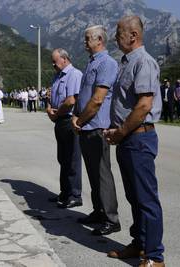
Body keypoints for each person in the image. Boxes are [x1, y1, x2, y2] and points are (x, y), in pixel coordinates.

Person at [104, 16, 165, 267]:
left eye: (119, 32)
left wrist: (119, 132)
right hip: (128, 139)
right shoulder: (126, 63)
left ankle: (154, 256)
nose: (115, 36)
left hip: (138, 138)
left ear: (133, 36)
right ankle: (139, 243)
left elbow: (143, 106)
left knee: (147, 199)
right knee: (134, 197)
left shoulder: (144, 62)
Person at [72, 25, 120, 235]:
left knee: (102, 174)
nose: (84, 42)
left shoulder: (107, 63)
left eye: (87, 38)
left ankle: (111, 218)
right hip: (86, 125)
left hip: (96, 126)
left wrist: (80, 120)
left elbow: (98, 99)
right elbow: (83, 94)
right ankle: (98, 211)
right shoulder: (92, 63)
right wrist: (76, 115)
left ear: (99, 40)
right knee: (92, 173)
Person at [47, 48, 82, 208]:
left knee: (73, 159)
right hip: (59, 120)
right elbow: (51, 96)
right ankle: (65, 192)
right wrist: (49, 108)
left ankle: (75, 195)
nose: (53, 64)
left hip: (69, 120)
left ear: (64, 59)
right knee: (62, 158)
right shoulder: (57, 76)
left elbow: (71, 100)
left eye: (55, 61)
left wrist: (56, 113)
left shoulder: (74, 75)